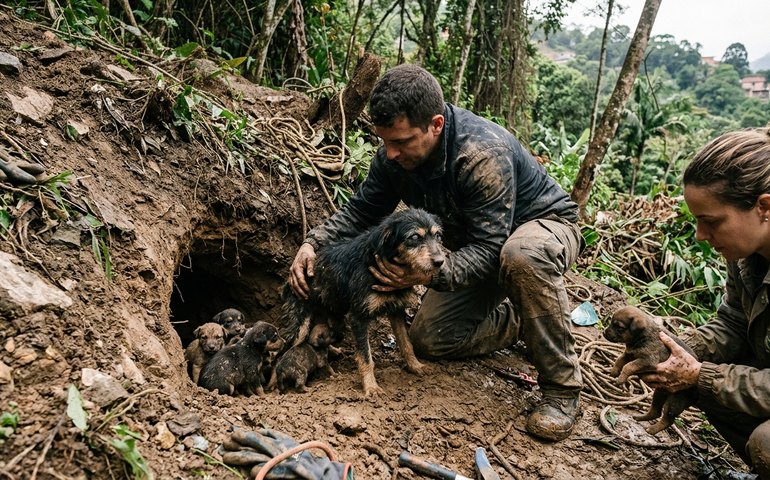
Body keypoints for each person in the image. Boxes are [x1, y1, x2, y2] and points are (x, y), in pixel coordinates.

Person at [288, 64, 584, 441]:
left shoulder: (480, 156)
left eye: (402, 142)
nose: (391, 153)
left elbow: (492, 246)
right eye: (385, 141)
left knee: (522, 256)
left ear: (437, 125)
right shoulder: (393, 156)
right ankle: (522, 318)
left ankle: (561, 391)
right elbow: (362, 211)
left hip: (538, 230)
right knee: (430, 340)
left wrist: (424, 273)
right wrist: (313, 242)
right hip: (469, 245)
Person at [642, 128, 770, 478]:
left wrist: (701, 374)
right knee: (706, 384)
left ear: (764, 206)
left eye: (710, 222)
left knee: (767, 444)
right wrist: (679, 349)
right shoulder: (745, 253)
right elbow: (733, 321)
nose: (700, 235)